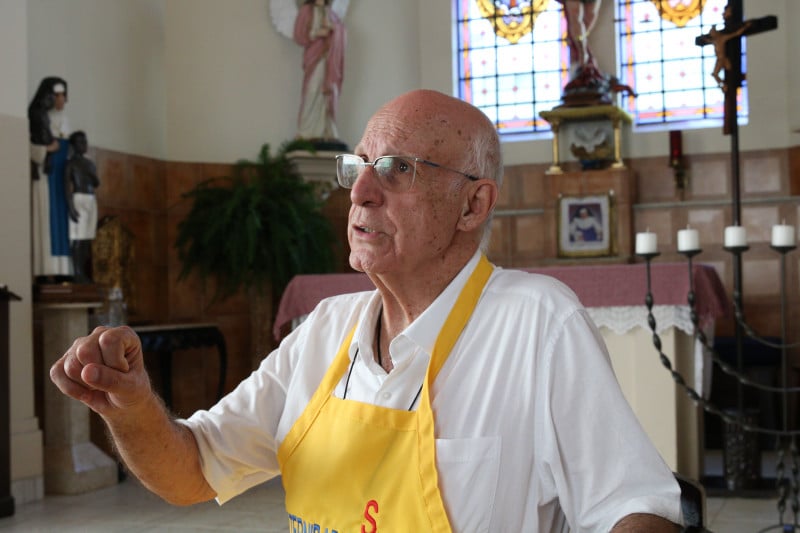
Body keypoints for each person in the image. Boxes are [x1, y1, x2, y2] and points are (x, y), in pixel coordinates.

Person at [50, 89, 683, 531]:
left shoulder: (536, 325)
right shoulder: (324, 328)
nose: (360, 190)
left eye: (397, 169)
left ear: (473, 205)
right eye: (358, 166)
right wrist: (131, 405)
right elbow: (191, 471)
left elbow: (636, 509)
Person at [29, 76, 72, 280]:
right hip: (47, 176)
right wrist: (47, 149)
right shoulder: (37, 117)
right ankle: (46, 269)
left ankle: (64, 269)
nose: (60, 99)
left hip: (62, 175)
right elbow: (31, 148)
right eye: (56, 95)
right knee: (47, 220)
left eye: (63, 94)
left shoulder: (65, 120)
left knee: (62, 220)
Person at [292, 0, 346, 143]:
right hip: (314, 57)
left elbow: (340, 31)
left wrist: (333, 28)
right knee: (312, 90)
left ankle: (326, 131)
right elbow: (299, 35)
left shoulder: (330, 13)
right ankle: (306, 132)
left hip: (328, 60)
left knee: (327, 93)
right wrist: (316, 33)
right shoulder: (306, 10)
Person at [64, 131, 100, 283]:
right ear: (73, 145)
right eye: (80, 142)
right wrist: (71, 207)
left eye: (85, 141)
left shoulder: (90, 163)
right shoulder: (71, 163)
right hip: (79, 199)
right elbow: (66, 186)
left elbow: (97, 183)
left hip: (91, 199)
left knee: (87, 237)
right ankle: (77, 272)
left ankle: (83, 271)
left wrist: (92, 175)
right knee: (78, 237)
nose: (84, 145)